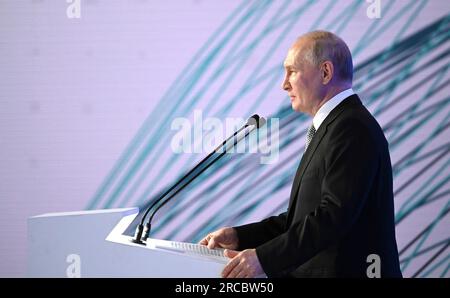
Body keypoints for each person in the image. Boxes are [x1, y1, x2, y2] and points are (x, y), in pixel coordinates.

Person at [199, 31, 402, 278]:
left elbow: (332, 217)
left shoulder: (351, 127)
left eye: (292, 71)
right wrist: (240, 236)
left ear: (325, 72)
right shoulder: (333, 126)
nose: (284, 84)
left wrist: (263, 259)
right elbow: (301, 219)